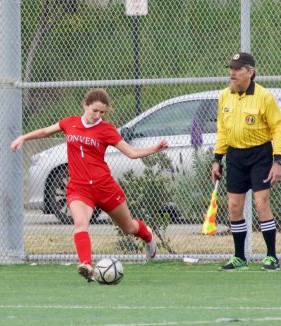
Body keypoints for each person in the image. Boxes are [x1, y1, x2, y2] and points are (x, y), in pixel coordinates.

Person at [11, 88, 168, 282]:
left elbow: (131, 153)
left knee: (129, 228)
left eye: (102, 112)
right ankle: (86, 264)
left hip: (105, 187)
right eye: (95, 110)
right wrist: (23, 138)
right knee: (80, 223)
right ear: (85, 105)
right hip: (79, 188)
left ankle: (148, 237)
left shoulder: (106, 130)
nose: (98, 115)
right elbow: (45, 131)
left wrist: (155, 148)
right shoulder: (70, 123)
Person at [211, 52, 281, 271]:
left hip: (260, 155)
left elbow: (278, 128)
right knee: (234, 207)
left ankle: (271, 256)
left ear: (250, 72)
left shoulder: (264, 97)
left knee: (261, 204)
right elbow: (223, 131)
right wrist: (217, 159)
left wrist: (277, 161)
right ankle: (239, 257)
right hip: (235, 156)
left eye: (238, 69)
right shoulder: (225, 96)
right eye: (231, 69)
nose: (232, 73)